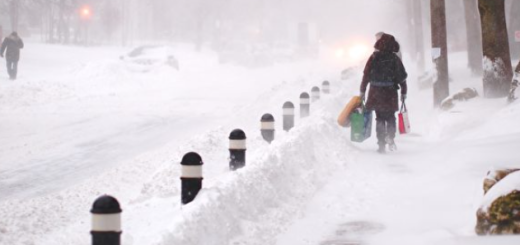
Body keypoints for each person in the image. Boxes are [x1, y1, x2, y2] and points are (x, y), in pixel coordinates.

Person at [360, 33, 408, 154]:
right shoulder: (394, 59)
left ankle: (381, 144)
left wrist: (362, 90)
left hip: (376, 93)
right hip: (390, 93)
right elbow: (402, 78)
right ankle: (390, 136)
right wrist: (403, 92)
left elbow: (366, 75)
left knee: (380, 118)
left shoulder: (373, 57)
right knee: (391, 117)